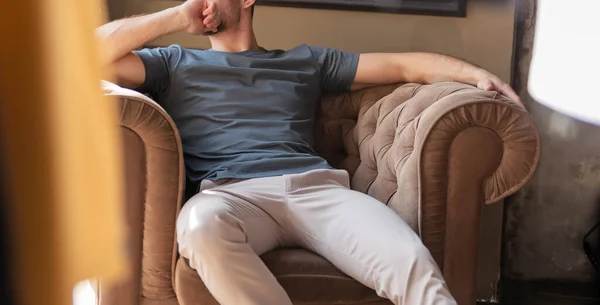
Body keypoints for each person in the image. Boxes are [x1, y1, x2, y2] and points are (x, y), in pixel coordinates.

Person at [97, 1, 521, 304]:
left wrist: (478, 76)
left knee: (411, 262)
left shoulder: (305, 61)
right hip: (230, 195)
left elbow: (403, 65)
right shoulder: (172, 63)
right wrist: (175, 16)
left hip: (319, 192)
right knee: (198, 226)